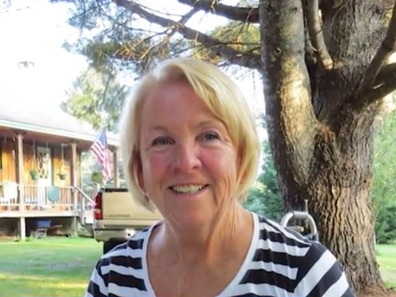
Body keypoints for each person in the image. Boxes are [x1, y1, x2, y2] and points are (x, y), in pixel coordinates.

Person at [84, 58, 355, 297]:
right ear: (139, 169)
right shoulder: (112, 279)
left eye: (209, 136)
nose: (186, 161)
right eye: (162, 141)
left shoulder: (304, 274)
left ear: (240, 155)